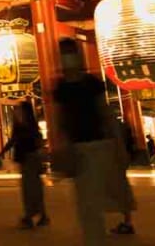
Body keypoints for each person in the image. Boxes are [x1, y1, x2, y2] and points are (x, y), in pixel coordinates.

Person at [52, 37, 124, 245]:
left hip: (98, 146)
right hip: (77, 149)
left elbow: (106, 113)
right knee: (86, 201)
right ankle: (94, 238)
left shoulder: (92, 83)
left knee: (93, 200)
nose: (68, 58)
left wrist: (119, 144)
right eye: (64, 53)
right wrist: (58, 146)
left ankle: (97, 237)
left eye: (70, 53)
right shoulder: (61, 87)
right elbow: (58, 119)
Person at [0, 99, 48, 228]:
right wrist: (0, 153)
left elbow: (37, 143)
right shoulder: (20, 126)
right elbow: (12, 141)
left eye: (19, 110)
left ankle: (31, 216)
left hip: (32, 159)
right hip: (25, 160)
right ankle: (39, 215)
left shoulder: (29, 127)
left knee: (32, 188)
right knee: (31, 188)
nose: (16, 112)